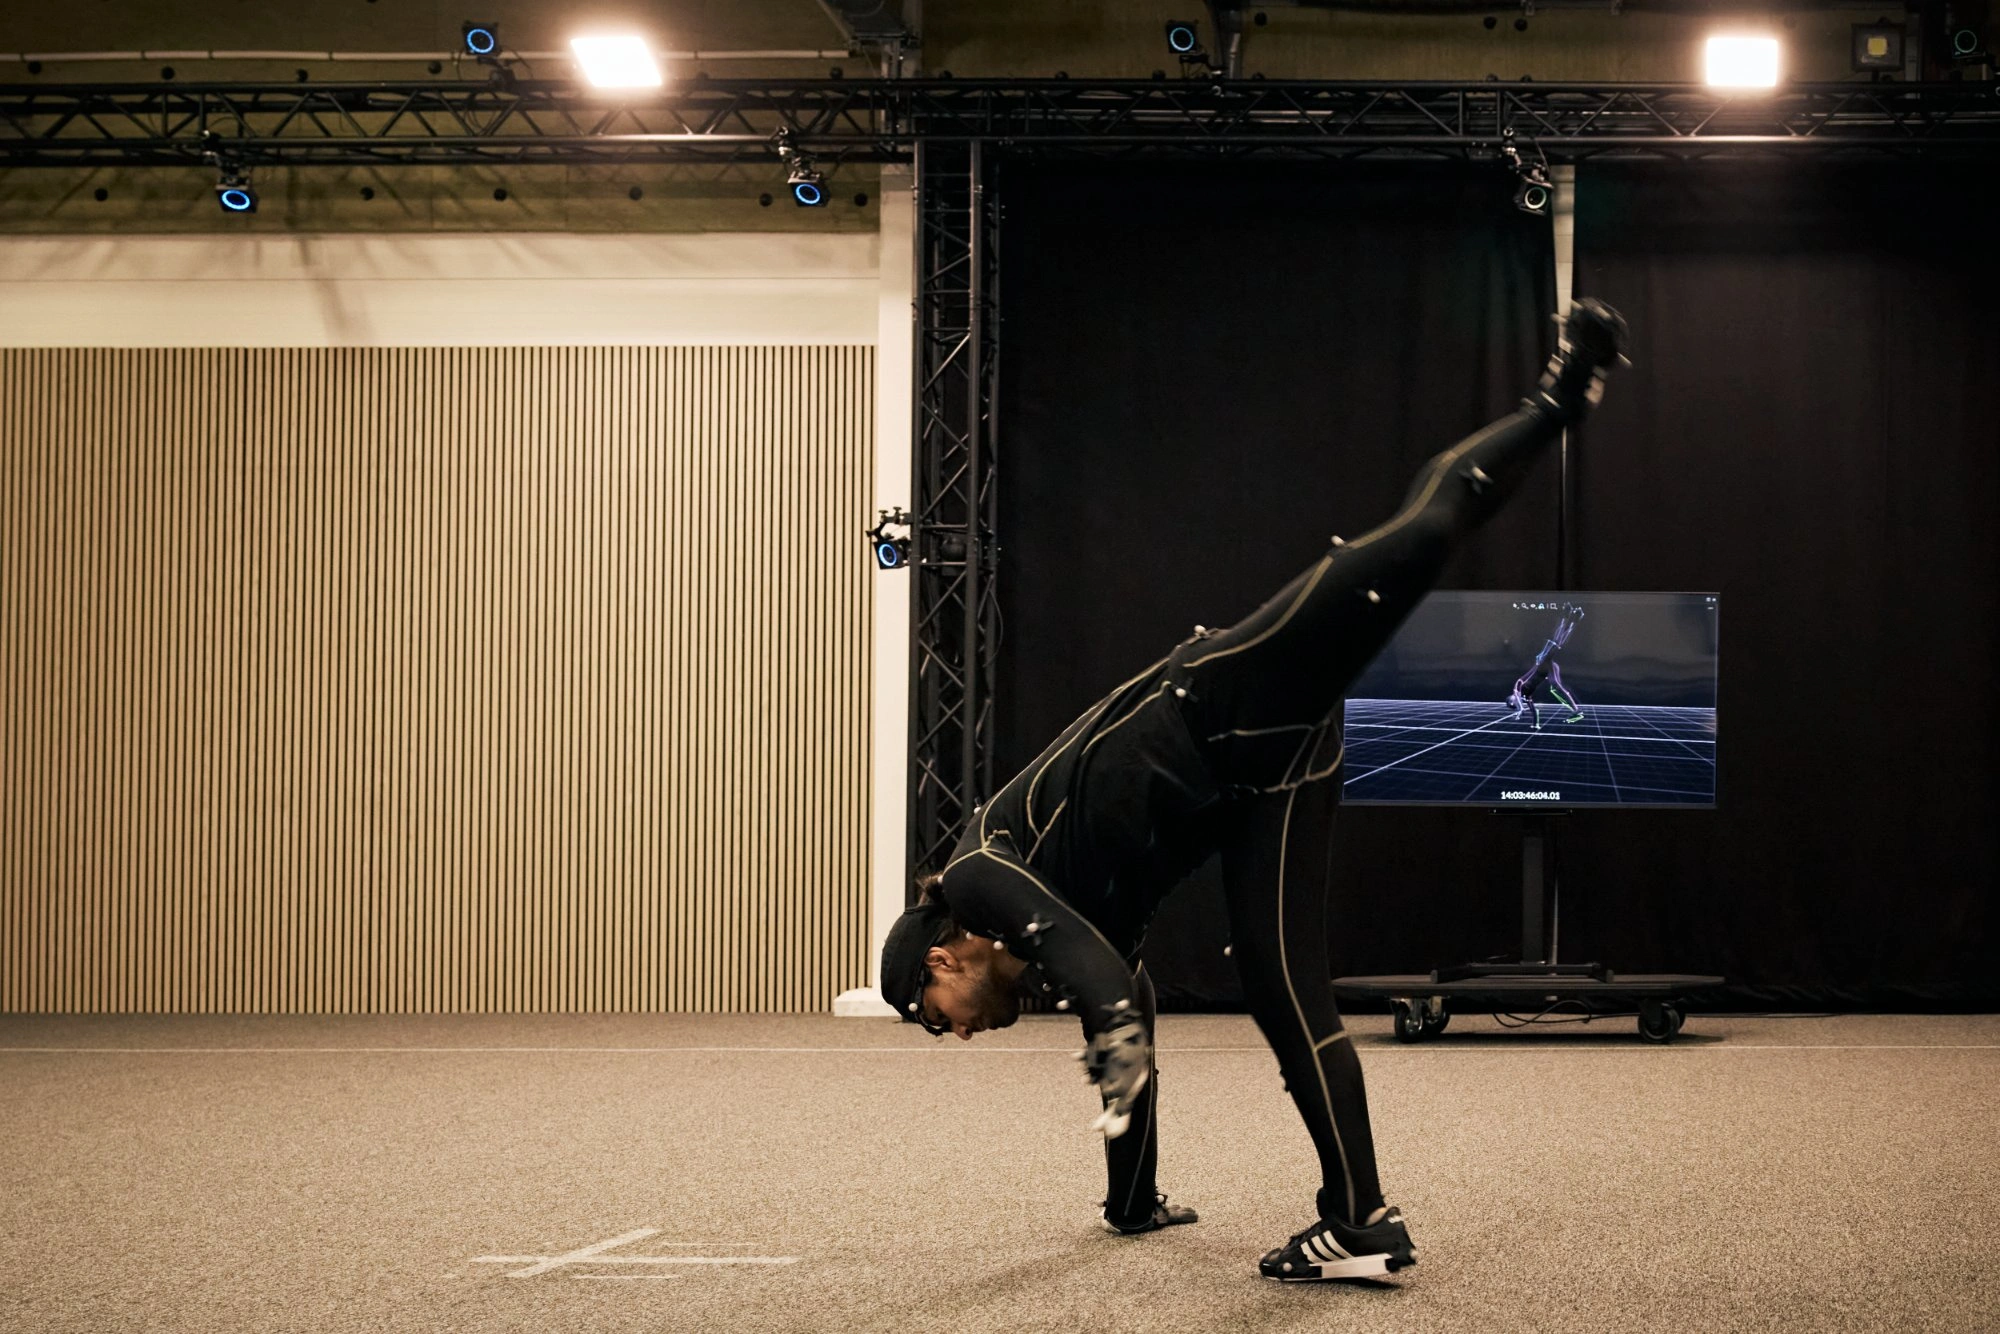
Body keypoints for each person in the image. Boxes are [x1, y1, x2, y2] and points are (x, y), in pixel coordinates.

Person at [879, 299, 1631, 1281]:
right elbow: (1124, 993)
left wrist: (1111, 1053)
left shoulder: (980, 873)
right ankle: (1361, 1220)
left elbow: (1108, 992)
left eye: (939, 1012)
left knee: (1409, 541)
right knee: (1286, 997)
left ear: (944, 954)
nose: (959, 1032)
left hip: (1217, 702)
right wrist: (1130, 1199)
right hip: (1260, 781)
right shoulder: (1045, 950)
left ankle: (1557, 393)